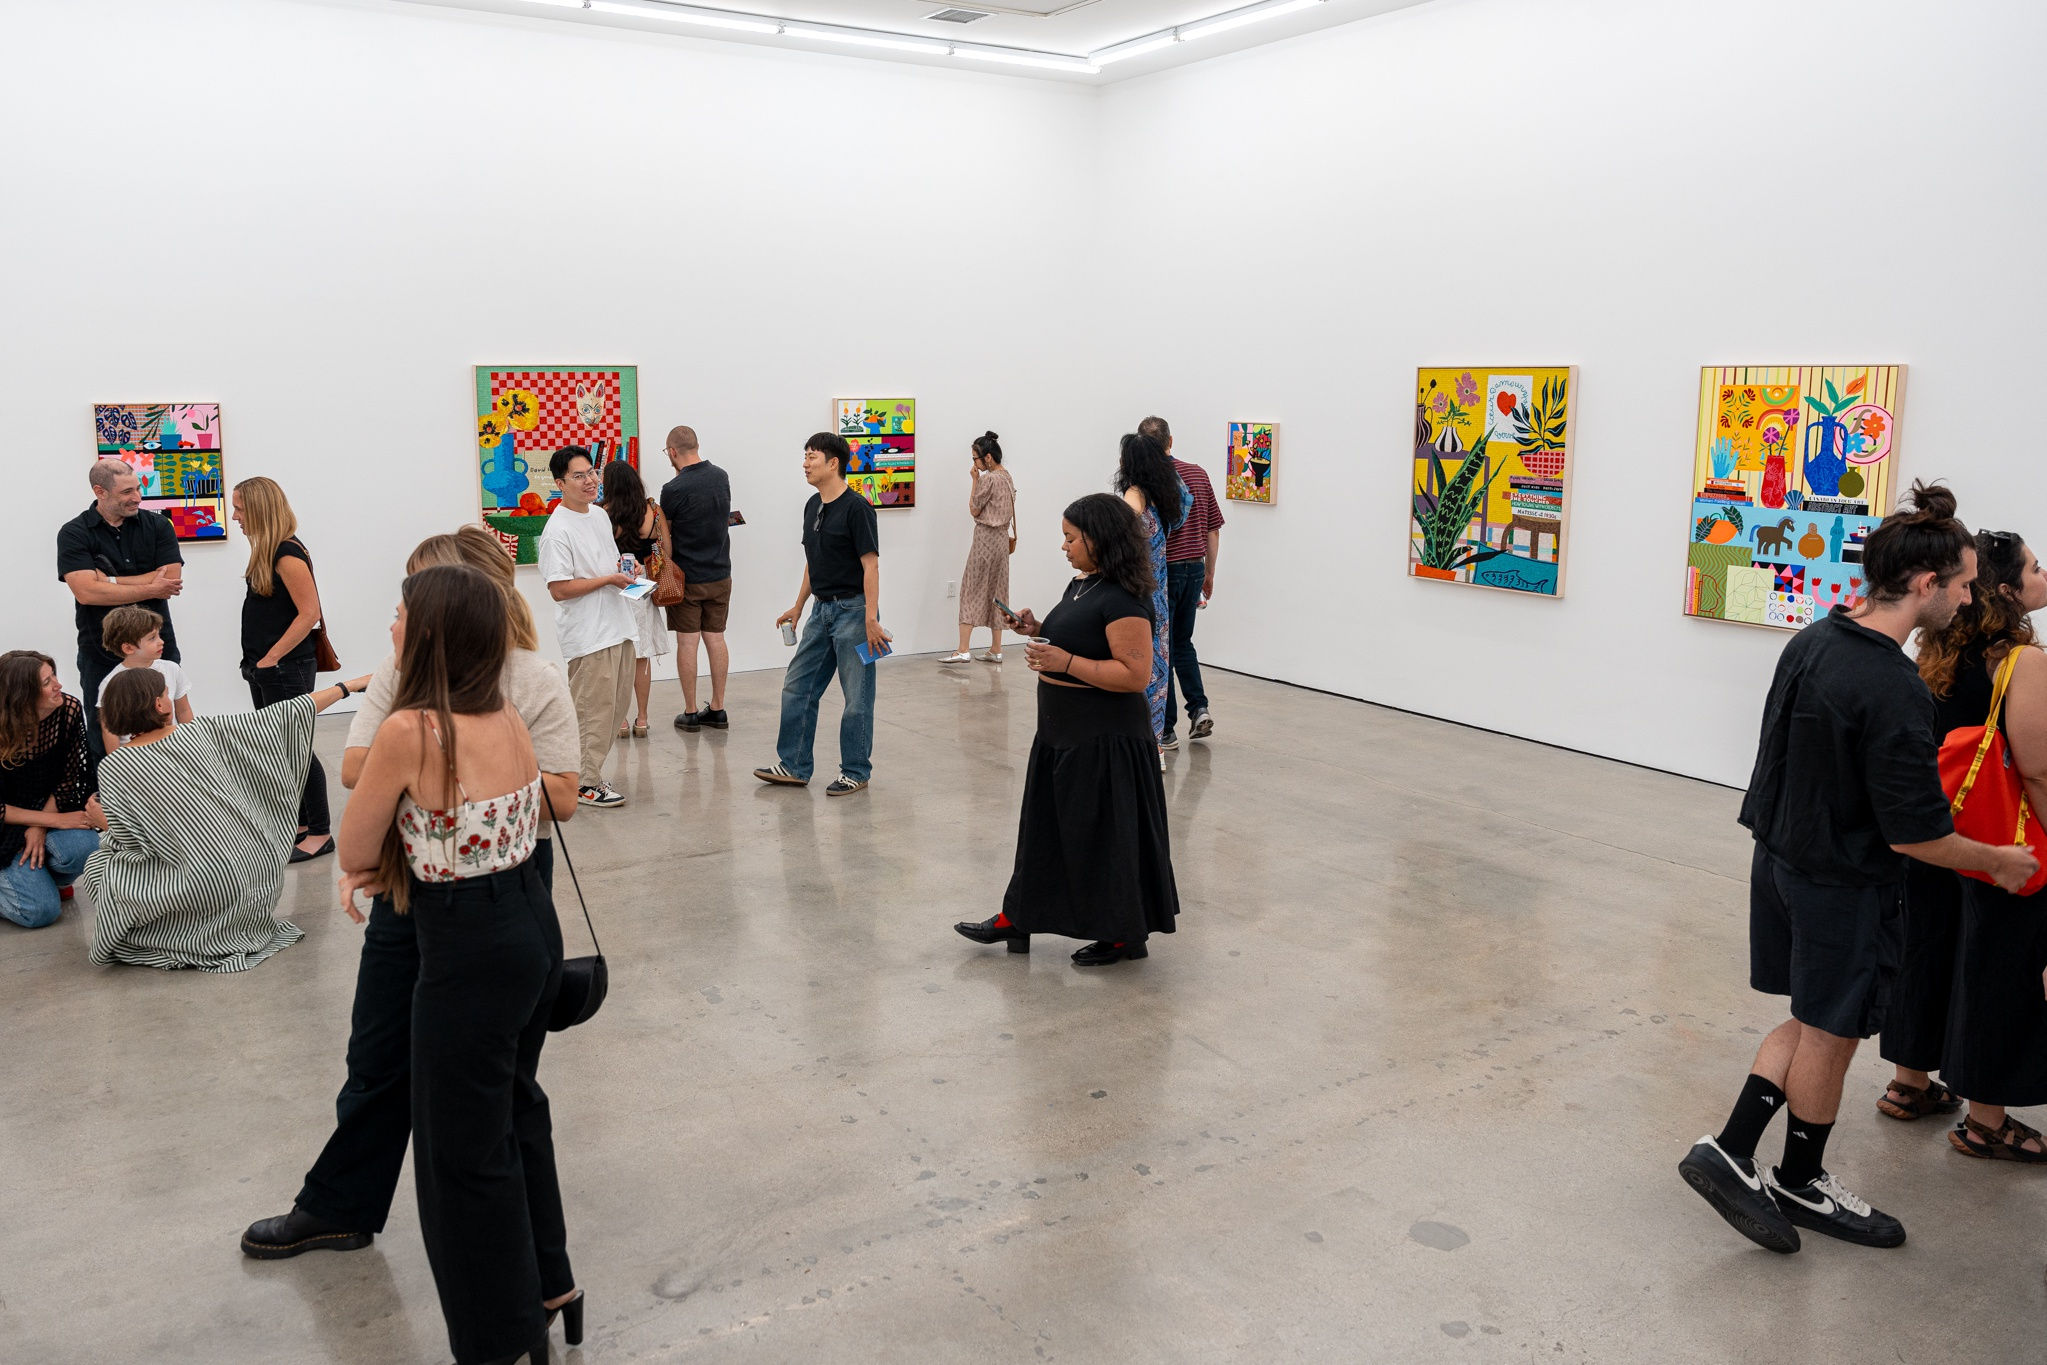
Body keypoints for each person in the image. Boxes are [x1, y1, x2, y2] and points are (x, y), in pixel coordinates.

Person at [1678, 483, 2040, 1255]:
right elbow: (1916, 835)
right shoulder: (1892, 686)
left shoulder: (1813, 639)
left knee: (1814, 1019)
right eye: (1962, 584)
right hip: (1838, 884)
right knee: (1831, 1031)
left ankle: (1735, 1152)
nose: (1968, 597)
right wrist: (1998, 860)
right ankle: (1796, 1177)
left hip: (1780, 860)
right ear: (1924, 583)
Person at [242, 527, 580, 1318]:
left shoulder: (530, 679)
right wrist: (449, 776)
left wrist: (447, 784)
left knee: (499, 1092)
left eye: (414, 597)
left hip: (501, 887)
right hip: (410, 882)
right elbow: (356, 766)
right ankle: (341, 1203)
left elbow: (562, 795)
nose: (399, 615)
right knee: (378, 1053)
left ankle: (536, 1280)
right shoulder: (404, 674)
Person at [335, 564, 581, 1365]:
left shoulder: (412, 728)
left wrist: (375, 863)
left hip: (468, 949)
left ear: (432, 631)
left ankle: (500, 1344)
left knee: (459, 1162)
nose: (393, 624)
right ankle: (550, 1289)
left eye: (402, 613)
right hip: (529, 925)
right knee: (506, 1115)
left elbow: (354, 845)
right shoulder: (504, 712)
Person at [954, 493, 1178, 966]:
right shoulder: (1083, 585)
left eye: (1071, 538)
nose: (1064, 546)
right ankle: (1019, 916)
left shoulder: (1125, 600)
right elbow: (1079, 638)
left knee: (1104, 841)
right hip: (1062, 735)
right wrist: (1033, 627)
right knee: (1045, 833)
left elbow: (1134, 675)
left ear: (1100, 540)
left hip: (1105, 742)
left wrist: (1066, 661)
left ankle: (1123, 935)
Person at [1907, 528, 2047, 1160]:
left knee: (1929, 946)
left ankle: (1911, 1084)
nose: (2044, 578)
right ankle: (1988, 1122)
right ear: (2009, 592)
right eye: (2035, 569)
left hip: (1936, 825)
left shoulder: (1936, 647)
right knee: (1999, 965)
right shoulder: (2021, 660)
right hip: (1997, 836)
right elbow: (2037, 770)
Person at [84, 664, 368, 971]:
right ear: (159, 705)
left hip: (203, 885)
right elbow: (286, 714)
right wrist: (348, 686)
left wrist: (102, 821)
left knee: (100, 865)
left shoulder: (115, 767)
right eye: (166, 693)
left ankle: (185, 932)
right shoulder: (203, 731)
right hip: (258, 873)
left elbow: (130, 842)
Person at [755, 433, 890, 796]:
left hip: (854, 612)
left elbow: (871, 566)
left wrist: (871, 619)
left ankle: (856, 771)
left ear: (833, 463)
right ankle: (794, 765)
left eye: (812, 457)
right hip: (821, 610)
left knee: (857, 697)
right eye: (805, 456)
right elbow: (813, 562)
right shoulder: (812, 505)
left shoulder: (858, 508)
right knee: (797, 685)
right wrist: (799, 606)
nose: (805, 463)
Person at [234, 477, 336, 862]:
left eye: (240, 508)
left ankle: (320, 833)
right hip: (268, 668)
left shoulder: (287, 553)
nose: (235, 516)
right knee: (281, 751)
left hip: (284, 668)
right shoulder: (268, 551)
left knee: (297, 751)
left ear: (259, 510)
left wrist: (271, 658)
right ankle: (301, 824)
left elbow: (309, 613)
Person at [57, 459, 184, 756]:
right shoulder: (74, 533)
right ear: (100, 492)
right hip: (100, 653)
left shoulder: (158, 526)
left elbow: (170, 579)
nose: (137, 497)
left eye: (138, 488)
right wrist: (150, 586)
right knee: (104, 736)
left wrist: (110, 581)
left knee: (163, 727)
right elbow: (86, 592)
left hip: (157, 647)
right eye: (127, 492)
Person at [538, 447, 637, 809]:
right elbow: (559, 589)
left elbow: (605, 564)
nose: (590, 481)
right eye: (578, 476)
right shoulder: (557, 531)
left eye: (592, 472)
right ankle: (582, 784)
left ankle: (589, 777)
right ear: (560, 483)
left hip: (618, 626)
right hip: (589, 635)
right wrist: (608, 579)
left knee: (613, 711)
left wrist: (625, 570)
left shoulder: (597, 515)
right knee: (591, 713)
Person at [0, 650, 104, 929]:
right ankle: (30, 886)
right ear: (22, 696)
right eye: (47, 682)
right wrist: (53, 821)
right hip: (4, 829)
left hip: (46, 812)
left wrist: (40, 827)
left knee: (88, 845)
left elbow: (70, 777)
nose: (58, 685)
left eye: (53, 675)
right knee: (40, 912)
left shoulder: (67, 710)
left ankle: (44, 881)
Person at [1139, 415, 1225, 747]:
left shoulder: (1147, 481)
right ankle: (1199, 708)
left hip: (1166, 573)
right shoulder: (1198, 474)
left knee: (1164, 648)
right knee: (1183, 642)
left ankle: (1167, 729)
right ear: (1170, 440)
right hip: (1194, 568)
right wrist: (1209, 573)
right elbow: (1213, 530)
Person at [1115, 432, 1191, 758]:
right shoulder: (1165, 496)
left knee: (1133, 668)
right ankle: (1154, 745)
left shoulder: (1135, 494)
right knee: (1155, 669)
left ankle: (1142, 746)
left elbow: (1118, 525)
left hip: (1135, 594)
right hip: (1156, 593)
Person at [658, 425, 736, 731]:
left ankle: (690, 712)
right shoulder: (721, 476)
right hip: (720, 573)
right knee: (716, 638)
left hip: (687, 578)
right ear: (697, 445)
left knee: (687, 642)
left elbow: (666, 536)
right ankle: (718, 708)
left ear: (672, 452)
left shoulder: (673, 489)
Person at [602, 460, 671, 739]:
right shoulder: (653, 511)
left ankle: (620, 721)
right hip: (642, 589)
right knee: (641, 658)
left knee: (618, 657)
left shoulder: (602, 514)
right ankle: (642, 719)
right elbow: (666, 551)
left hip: (615, 589)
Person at [941, 431, 1016, 665]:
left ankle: (963, 649)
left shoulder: (989, 479)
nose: (974, 463)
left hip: (985, 539)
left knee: (971, 588)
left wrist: (974, 480)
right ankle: (996, 649)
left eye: (975, 458)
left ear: (988, 458)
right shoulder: (1007, 477)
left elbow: (974, 508)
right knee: (998, 591)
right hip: (1002, 541)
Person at [96, 606, 194, 749]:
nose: (161, 641)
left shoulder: (172, 669)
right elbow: (109, 730)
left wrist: (193, 743)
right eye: (152, 638)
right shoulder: (111, 683)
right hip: (135, 754)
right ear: (128, 648)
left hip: (171, 747)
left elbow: (183, 711)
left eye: (159, 635)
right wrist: (116, 760)